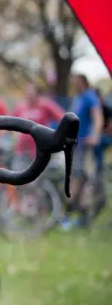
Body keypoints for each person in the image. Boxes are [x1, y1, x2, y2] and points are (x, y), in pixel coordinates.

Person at [61, 73, 104, 229]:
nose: (74, 84)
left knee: (79, 180)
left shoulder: (89, 96)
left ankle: (75, 216)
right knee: (76, 180)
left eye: (76, 82)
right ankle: (74, 216)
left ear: (83, 82)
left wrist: (95, 135)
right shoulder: (77, 98)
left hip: (85, 145)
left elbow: (97, 116)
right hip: (74, 145)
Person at [11, 83, 65, 167]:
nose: (29, 96)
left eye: (32, 94)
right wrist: (14, 137)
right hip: (22, 150)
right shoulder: (20, 107)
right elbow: (11, 123)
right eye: (27, 93)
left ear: (38, 94)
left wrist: (57, 136)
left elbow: (62, 118)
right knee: (19, 175)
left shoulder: (45, 105)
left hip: (40, 150)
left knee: (39, 177)